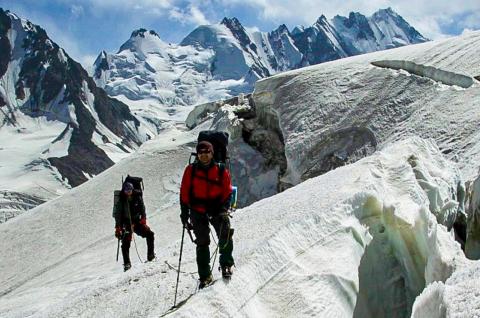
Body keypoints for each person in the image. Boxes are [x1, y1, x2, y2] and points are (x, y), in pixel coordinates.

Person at [180, 141, 234, 288]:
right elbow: (184, 193)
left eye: (207, 152)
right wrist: (184, 214)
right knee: (202, 242)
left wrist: (224, 208)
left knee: (225, 233)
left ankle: (226, 264)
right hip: (197, 209)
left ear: (212, 153)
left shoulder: (221, 170)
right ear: (197, 154)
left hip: (217, 208)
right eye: (201, 152)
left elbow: (227, 191)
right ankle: (204, 275)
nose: (204, 155)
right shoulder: (190, 171)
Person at [114, 182, 155, 271]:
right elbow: (118, 215)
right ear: (124, 191)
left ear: (132, 190)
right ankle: (127, 264)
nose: (128, 192)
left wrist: (143, 221)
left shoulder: (137, 198)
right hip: (126, 224)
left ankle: (151, 256)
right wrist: (118, 227)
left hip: (137, 222)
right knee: (125, 244)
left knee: (150, 234)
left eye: (130, 190)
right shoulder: (121, 201)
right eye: (126, 190)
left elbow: (142, 209)